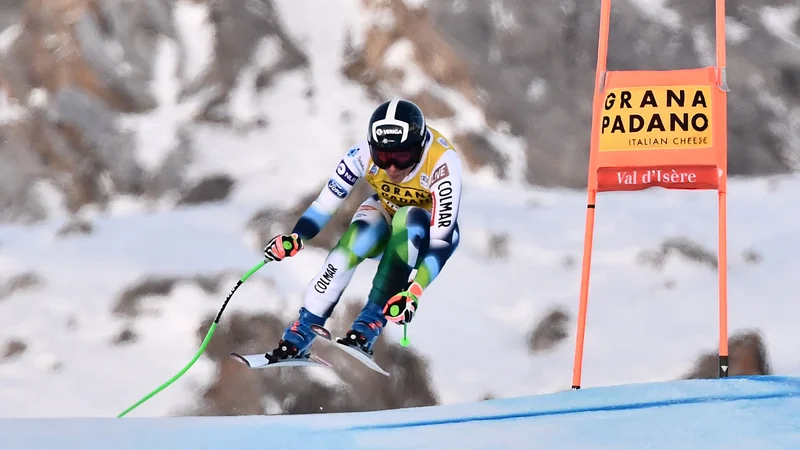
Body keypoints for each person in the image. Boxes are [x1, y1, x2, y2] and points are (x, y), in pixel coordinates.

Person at [262, 99, 463, 361]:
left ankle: (369, 323)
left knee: (408, 217)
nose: (392, 167)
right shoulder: (360, 156)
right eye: (384, 157)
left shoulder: (442, 162)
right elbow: (325, 204)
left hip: (424, 237)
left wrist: (415, 291)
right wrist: (297, 236)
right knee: (348, 247)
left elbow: (442, 239)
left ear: (421, 146)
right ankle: (301, 331)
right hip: (386, 217)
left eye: (402, 156)